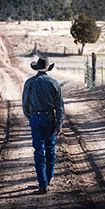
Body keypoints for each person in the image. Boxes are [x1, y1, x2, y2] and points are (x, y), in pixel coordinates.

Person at [22, 54, 65, 194]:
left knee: (38, 151)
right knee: (50, 149)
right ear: (47, 68)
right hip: (49, 118)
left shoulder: (29, 82)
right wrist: (59, 124)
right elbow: (59, 106)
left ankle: (42, 184)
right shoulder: (54, 83)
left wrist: (31, 117)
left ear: (37, 68)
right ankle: (49, 176)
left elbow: (25, 104)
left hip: (35, 118)